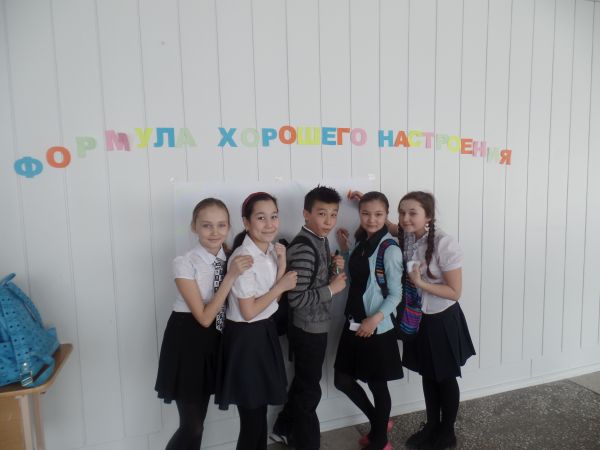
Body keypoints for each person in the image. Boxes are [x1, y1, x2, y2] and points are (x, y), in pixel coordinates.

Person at [155, 198, 254, 450]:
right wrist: (231, 276)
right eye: (207, 225)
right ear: (194, 227)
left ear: (229, 226)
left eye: (221, 225)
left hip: (217, 340)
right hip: (188, 340)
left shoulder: (232, 258)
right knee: (192, 426)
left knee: (199, 423)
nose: (215, 232)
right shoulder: (184, 262)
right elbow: (204, 317)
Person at [215, 192, 298, 450]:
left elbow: (272, 297)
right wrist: (281, 286)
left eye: (274, 216)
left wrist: (281, 264)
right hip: (245, 340)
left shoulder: (270, 250)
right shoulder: (244, 258)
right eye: (261, 218)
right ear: (246, 222)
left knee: (259, 416)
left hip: (262, 333)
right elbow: (249, 311)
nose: (270, 224)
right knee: (252, 421)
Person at [270, 186, 347, 449]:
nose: (329, 221)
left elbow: (314, 281)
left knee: (304, 383)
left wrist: (332, 269)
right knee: (309, 391)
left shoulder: (320, 240)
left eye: (333, 214)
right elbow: (297, 299)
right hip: (307, 329)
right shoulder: (304, 248)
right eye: (322, 213)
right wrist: (331, 289)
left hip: (314, 326)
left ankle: (282, 428)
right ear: (306, 214)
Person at [398, 191, 475, 450]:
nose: (406, 218)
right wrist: (363, 199)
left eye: (413, 213)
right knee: (428, 374)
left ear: (428, 216)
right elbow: (392, 225)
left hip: (441, 319)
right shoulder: (409, 236)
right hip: (418, 319)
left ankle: (447, 432)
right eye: (402, 212)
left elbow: (455, 292)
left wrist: (420, 283)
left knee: (445, 377)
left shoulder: (445, 243)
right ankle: (432, 425)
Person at [334, 191, 404, 450]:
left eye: (378, 214)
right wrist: (345, 250)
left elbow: (396, 294)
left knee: (377, 385)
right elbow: (358, 279)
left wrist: (373, 320)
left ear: (387, 216)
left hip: (376, 327)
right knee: (342, 380)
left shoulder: (390, 249)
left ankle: (381, 440)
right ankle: (379, 423)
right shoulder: (362, 242)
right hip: (353, 323)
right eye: (366, 213)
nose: (371, 219)